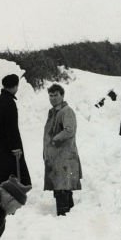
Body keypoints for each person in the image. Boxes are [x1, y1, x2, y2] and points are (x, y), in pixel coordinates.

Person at [42, 83, 82, 216]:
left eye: (56, 95)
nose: (53, 98)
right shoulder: (53, 112)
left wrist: (54, 139)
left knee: (63, 188)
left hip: (64, 157)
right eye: (50, 95)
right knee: (60, 188)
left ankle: (64, 217)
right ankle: (68, 216)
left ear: (62, 95)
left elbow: (69, 130)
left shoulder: (66, 111)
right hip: (55, 158)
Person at [0, 74, 32, 187]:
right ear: (15, 87)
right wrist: (16, 147)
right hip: (8, 148)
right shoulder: (9, 103)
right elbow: (12, 128)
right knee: (12, 179)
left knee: (1, 178)